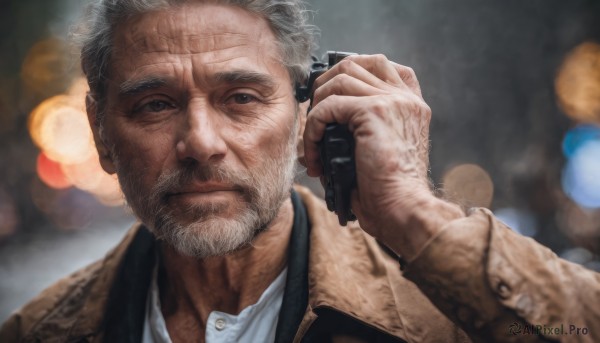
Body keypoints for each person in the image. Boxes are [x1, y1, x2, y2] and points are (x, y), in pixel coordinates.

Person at [1, 0, 599, 342]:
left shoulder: (442, 311)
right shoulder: (37, 332)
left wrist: (418, 217)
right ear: (103, 134)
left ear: (304, 114)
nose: (201, 144)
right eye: (156, 104)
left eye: (241, 97)